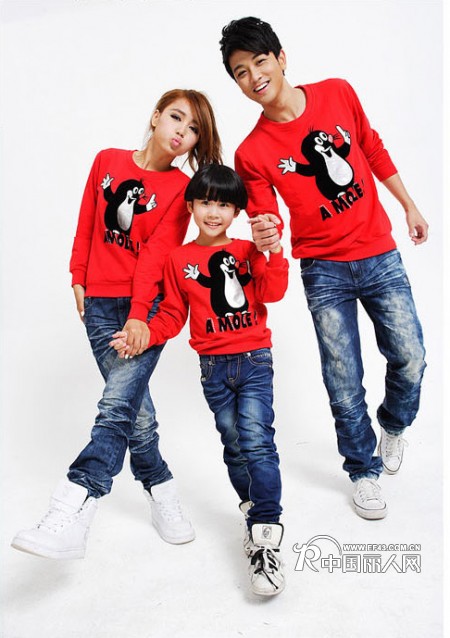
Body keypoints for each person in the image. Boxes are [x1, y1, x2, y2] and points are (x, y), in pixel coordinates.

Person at [219, 17, 427, 520]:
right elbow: (265, 218)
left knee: (411, 356)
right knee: (342, 377)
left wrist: (408, 205)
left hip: (378, 252)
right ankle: (362, 470)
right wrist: (265, 235)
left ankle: (393, 424)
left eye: (260, 62)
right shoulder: (252, 153)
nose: (254, 77)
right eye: (241, 72)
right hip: (323, 269)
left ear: (281, 58)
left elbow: (371, 147)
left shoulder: (338, 92)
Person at [11, 89, 222, 559]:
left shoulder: (179, 189)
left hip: (145, 309)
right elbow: (87, 222)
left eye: (192, 130)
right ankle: (160, 486)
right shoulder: (107, 160)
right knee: (135, 411)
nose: (181, 132)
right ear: (156, 116)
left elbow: (156, 255)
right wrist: (77, 275)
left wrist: (139, 316)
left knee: (115, 406)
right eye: (176, 118)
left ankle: (73, 505)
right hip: (99, 303)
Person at [111, 164, 289, 596]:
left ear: (236, 211)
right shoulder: (179, 260)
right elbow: (173, 314)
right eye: (206, 202)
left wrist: (273, 252)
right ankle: (252, 511)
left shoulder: (247, 250)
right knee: (234, 444)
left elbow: (273, 292)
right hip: (212, 368)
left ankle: (267, 537)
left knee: (257, 441)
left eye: (224, 205)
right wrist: (144, 332)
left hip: (254, 359)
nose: (214, 212)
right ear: (190, 206)